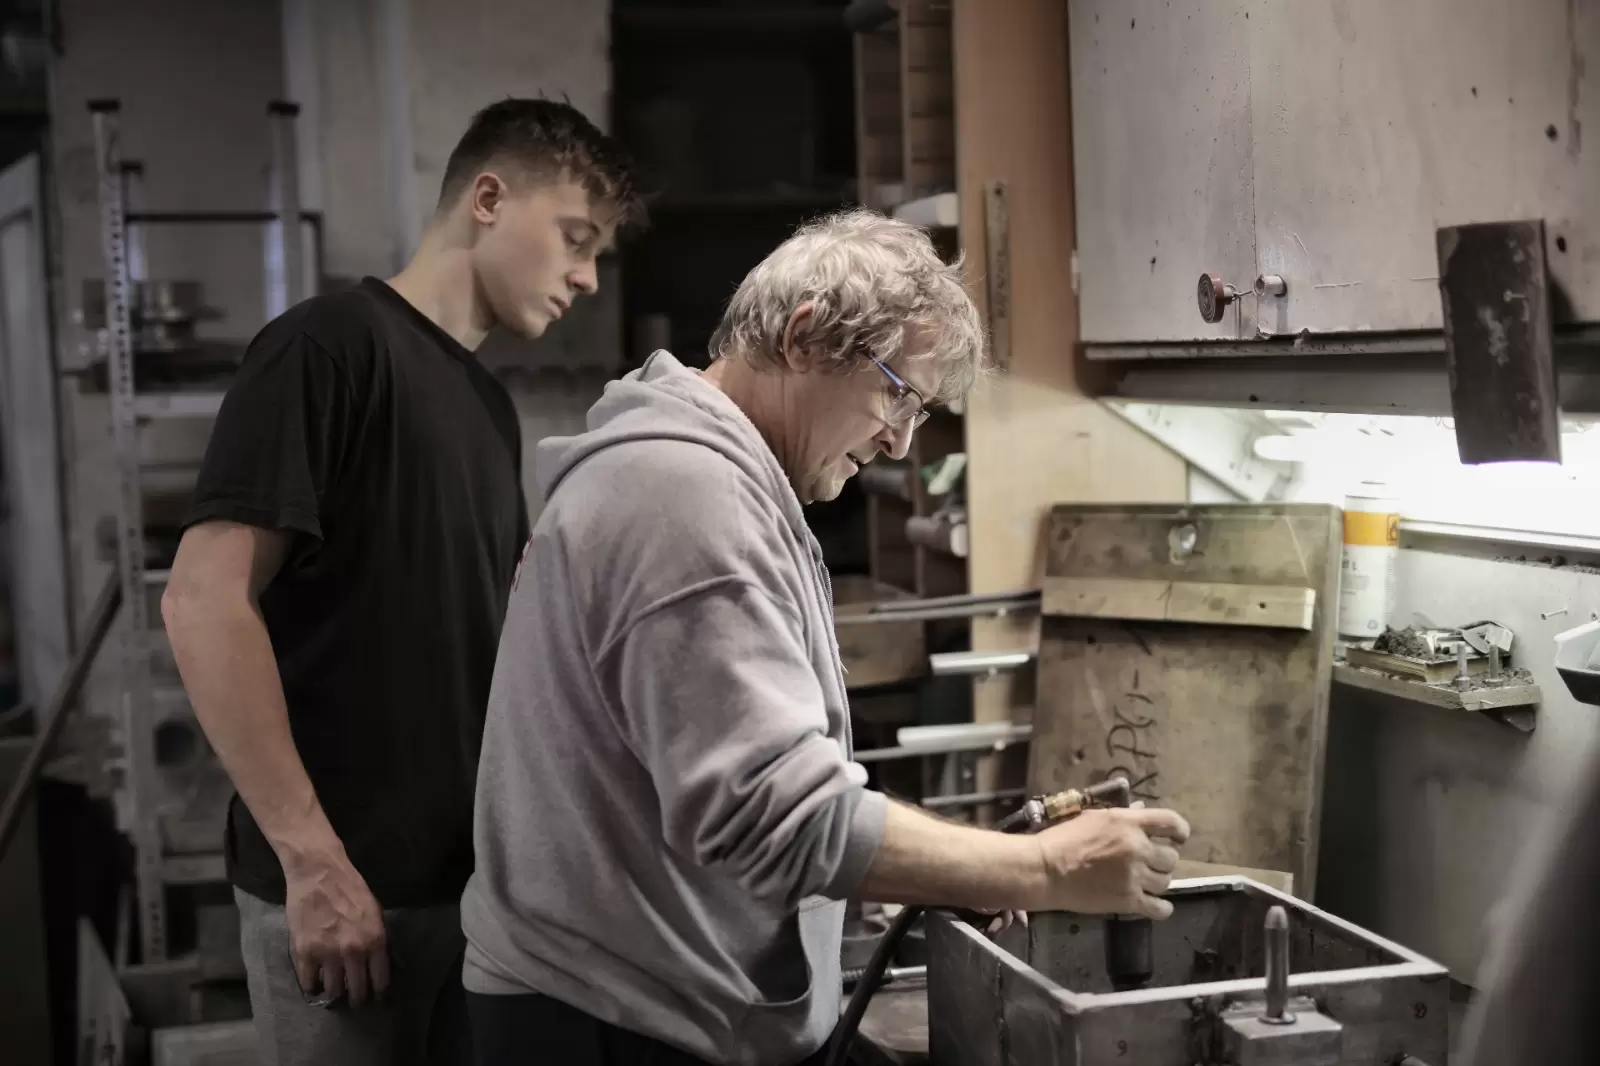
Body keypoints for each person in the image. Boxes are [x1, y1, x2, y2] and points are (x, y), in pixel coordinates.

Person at [460, 209, 1192, 1066]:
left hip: (637, 1001)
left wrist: (950, 867)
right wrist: (1045, 870)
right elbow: (776, 815)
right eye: (896, 393)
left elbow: (768, 783)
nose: (900, 440)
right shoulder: (686, 498)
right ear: (805, 337)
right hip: (611, 1023)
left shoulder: (701, 472)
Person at [161, 98, 641, 1066]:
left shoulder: (485, 404)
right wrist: (314, 863)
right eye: (575, 238)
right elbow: (203, 601)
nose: (587, 277)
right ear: (488, 199)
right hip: (345, 903)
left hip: (471, 900)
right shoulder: (329, 346)